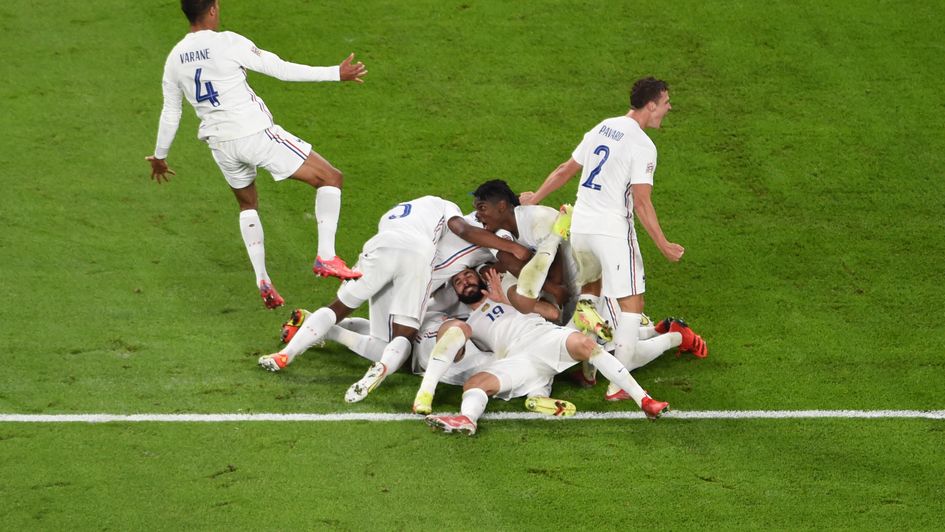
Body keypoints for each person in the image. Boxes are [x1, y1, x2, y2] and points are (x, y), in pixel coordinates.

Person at [146, 0, 366, 309]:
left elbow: (172, 110)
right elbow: (280, 70)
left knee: (248, 204)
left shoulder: (174, 59)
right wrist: (335, 73)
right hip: (254, 133)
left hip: (220, 144)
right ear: (212, 9)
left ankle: (262, 278)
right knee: (331, 178)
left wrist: (160, 155)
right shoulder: (227, 43)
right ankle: (326, 257)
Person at [519, 77, 705, 401]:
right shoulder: (643, 145)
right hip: (612, 233)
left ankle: (593, 364)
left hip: (580, 231)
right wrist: (662, 244)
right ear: (651, 105)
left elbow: (566, 169)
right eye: (665, 102)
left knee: (594, 295)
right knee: (633, 305)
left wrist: (535, 197)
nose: (669, 107)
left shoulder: (603, 127)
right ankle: (621, 381)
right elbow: (641, 201)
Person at [423, 268, 670, 435]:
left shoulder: (511, 295)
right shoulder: (466, 322)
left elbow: (551, 313)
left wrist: (506, 300)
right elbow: (460, 353)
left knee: (586, 346)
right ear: (456, 294)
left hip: (543, 336)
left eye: (467, 276)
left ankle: (644, 400)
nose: (464, 282)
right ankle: (468, 419)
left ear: (480, 279)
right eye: (458, 282)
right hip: (516, 356)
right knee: (476, 383)